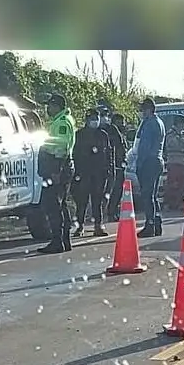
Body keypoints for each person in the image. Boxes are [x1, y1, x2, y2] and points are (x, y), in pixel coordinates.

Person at [37, 93, 77, 254]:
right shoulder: (60, 121)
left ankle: (57, 241)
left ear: (57, 106)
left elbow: (61, 147)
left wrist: (55, 170)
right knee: (60, 204)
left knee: (53, 205)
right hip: (59, 167)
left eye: (50, 105)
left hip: (58, 167)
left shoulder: (61, 123)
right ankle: (64, 240)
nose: (48, 108)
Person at [72, 108, 113, 237]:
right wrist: (76, 172)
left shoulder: (103, 135)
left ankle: (98, 226)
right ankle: (80, 226)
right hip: (83, 172)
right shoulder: (79, 135)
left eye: (96, 118)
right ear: (86, 120)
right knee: (81, 202)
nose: (94, 121)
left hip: (99, 173)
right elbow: (75, 154)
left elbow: (109, 153)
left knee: (97, 201)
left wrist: (109, 169)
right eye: (92, 119)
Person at [135, 97, 166, 237]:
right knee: (153, 196)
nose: (141, 112)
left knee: (147, 196)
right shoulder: (158, 122)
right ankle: (157, 223)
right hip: (157, 161)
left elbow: (144, 146)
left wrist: (139, 163)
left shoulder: (149, 124)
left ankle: (150, 225)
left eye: (142, 109)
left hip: (149, 162)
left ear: (148, 110)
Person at [162, 114, 184, 212]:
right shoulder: (170, 134)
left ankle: (179, 202)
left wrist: (182, 141)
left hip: (183, 162)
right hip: (173, 161)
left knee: (182, 184)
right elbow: (172, 144)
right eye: (183, 123)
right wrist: (182, 141)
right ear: (179, 123)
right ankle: (168, 203)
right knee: (172, 183)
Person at [106, 112, 129, 221]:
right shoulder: (112, 133)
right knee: (114, 191)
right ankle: (111, 212)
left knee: (118, 191)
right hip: (115, 166)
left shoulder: (121, 134)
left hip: (120, 165)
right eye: (120, 122)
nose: (122, 124)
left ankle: (114, 211)